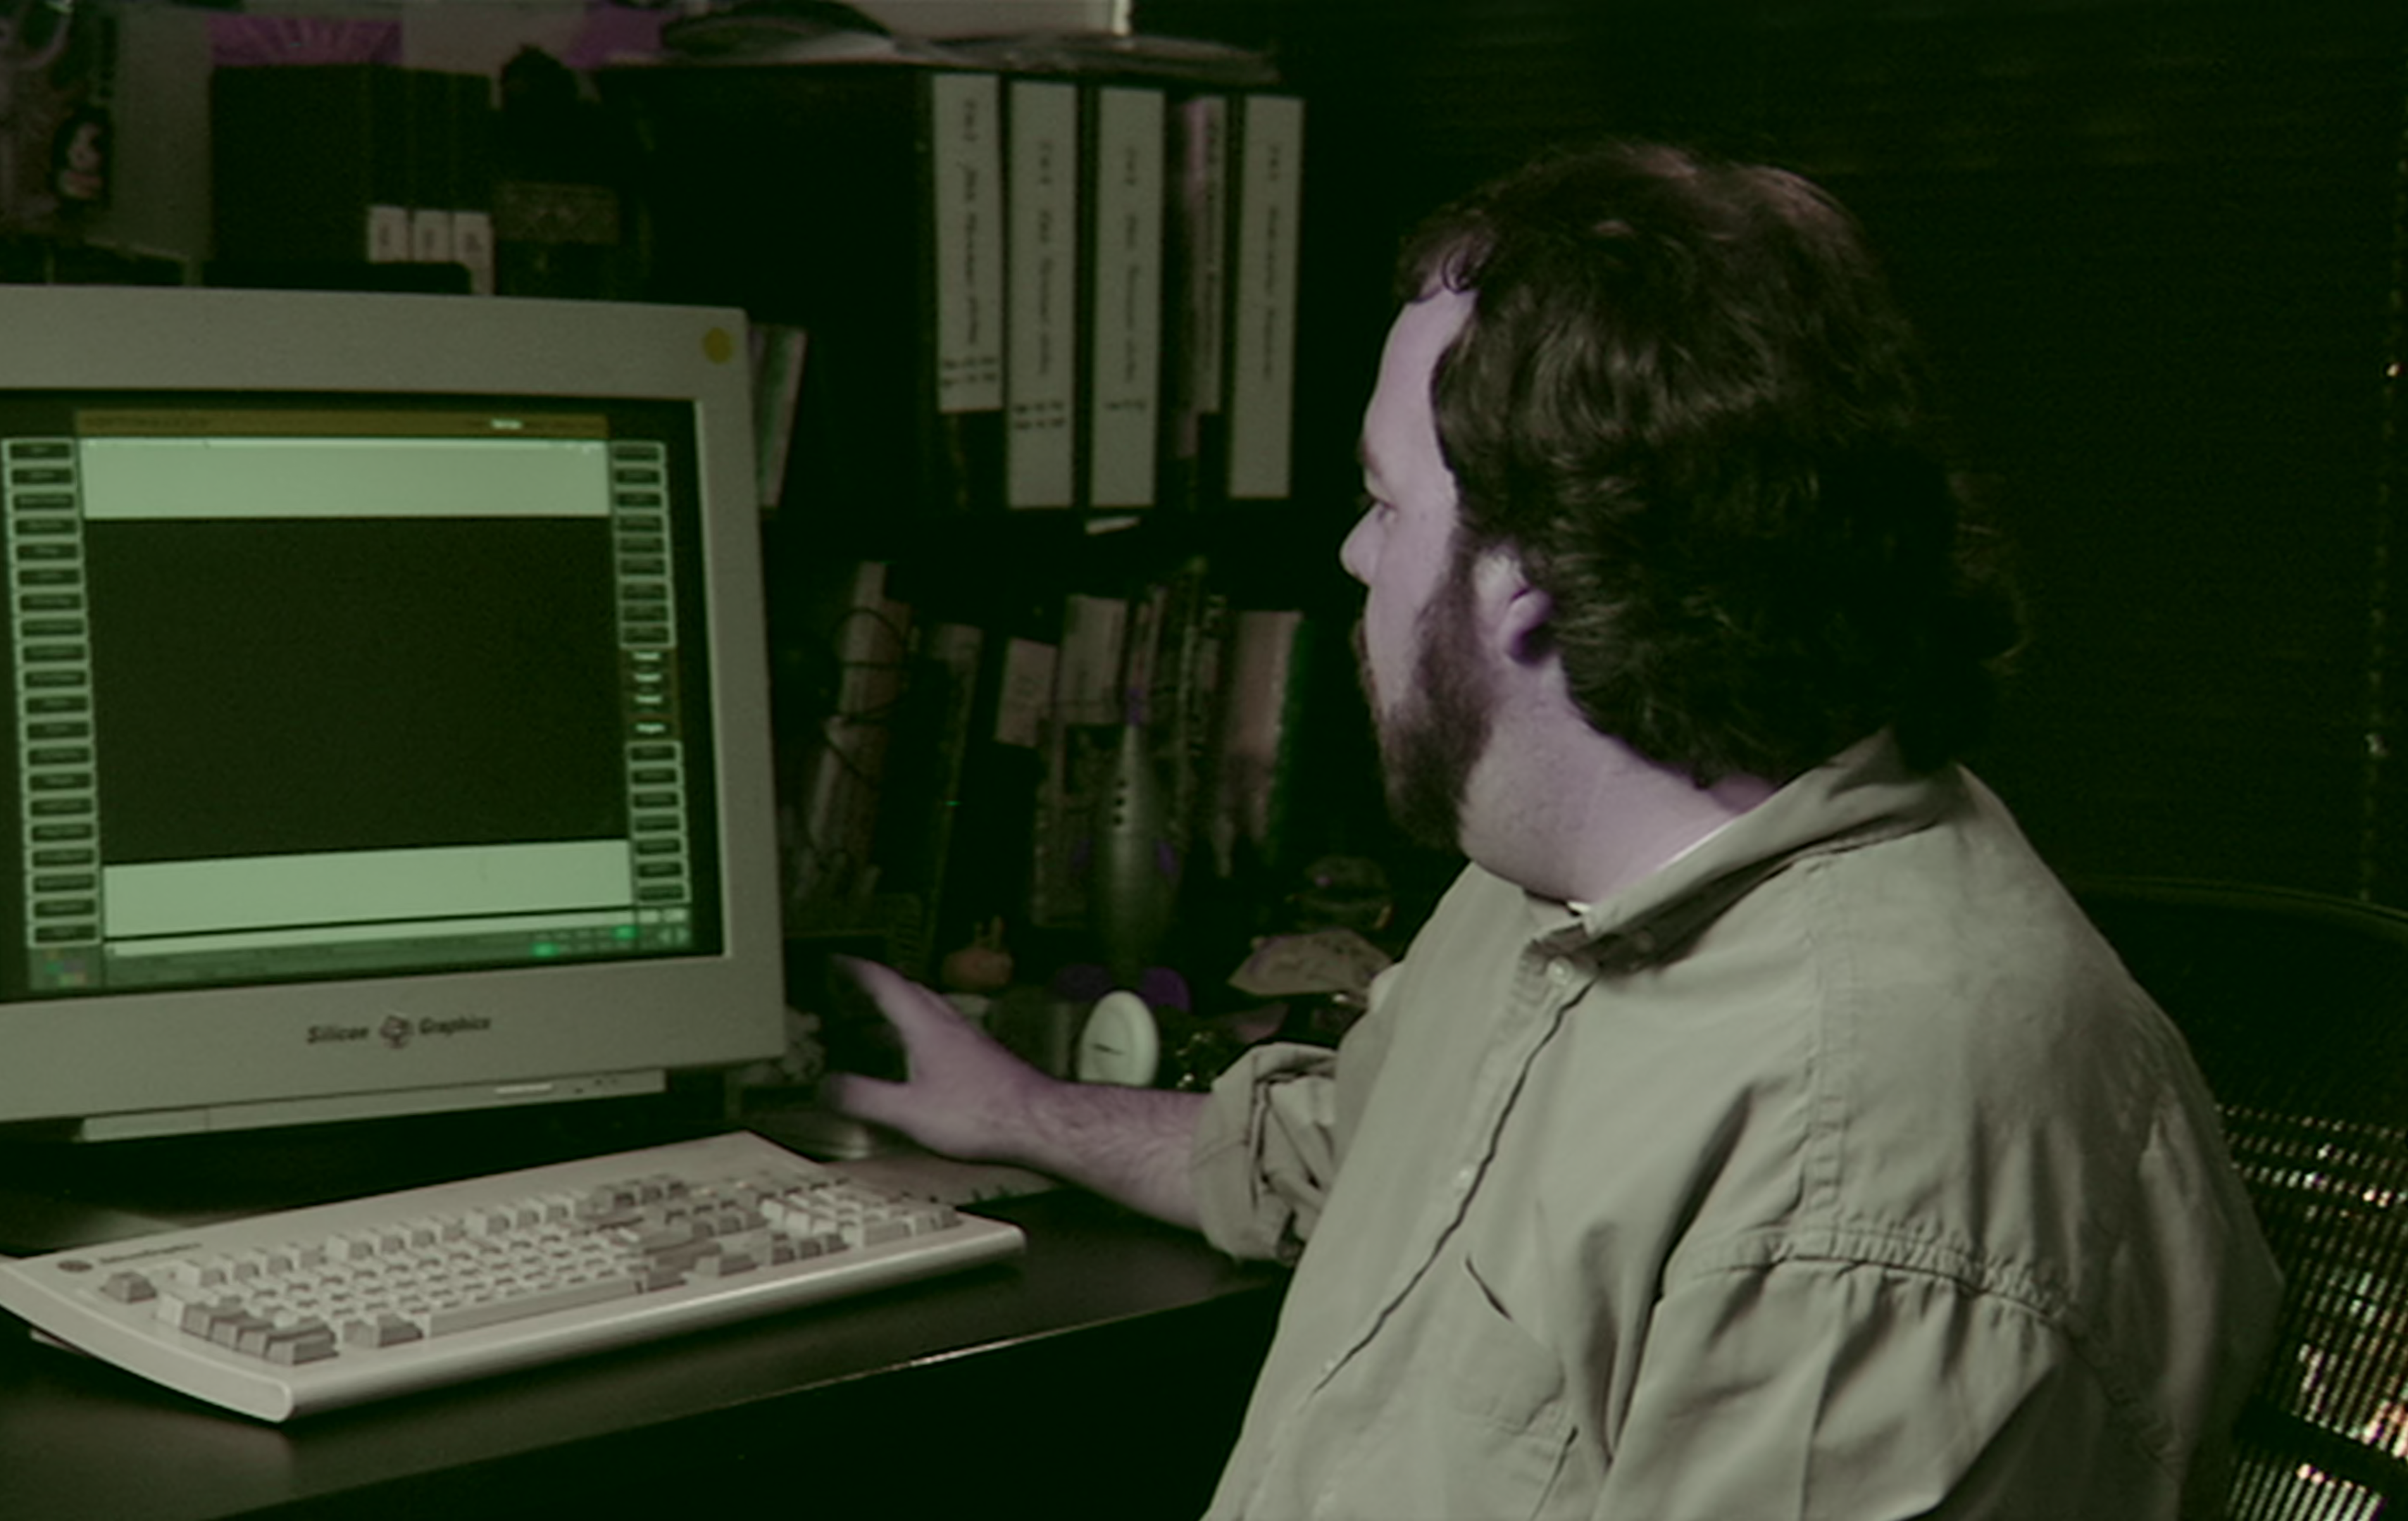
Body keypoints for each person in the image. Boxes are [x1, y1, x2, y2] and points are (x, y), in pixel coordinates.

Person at [824, 141, 2281, 1518]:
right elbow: (1352, 1160)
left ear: (1526, 572)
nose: (1353, 553)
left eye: (1384, 502)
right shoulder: (1562, 882)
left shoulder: (1869, 1156)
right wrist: (1015, 1112)